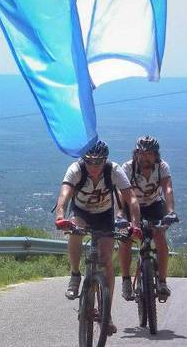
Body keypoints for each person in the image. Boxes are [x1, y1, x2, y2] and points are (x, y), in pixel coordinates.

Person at [54, 140, 140, 334]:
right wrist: (60, 216)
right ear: (84, 160)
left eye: (99, 162)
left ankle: (106, 313)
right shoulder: (76, 169)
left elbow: (131, 199)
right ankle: (75, 274)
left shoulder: (114, 170)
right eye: (90, 162)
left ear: (105, 160)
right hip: (82, 212)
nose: (94, 167)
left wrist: (135, 225)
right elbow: (64, 195)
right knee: (74, 232)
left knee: (106, 259)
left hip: (104, 215)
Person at [118, 135, 178, 301]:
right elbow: (121, 193)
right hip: (131, 205)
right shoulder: (128, 167)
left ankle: (162, 281)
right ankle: (126, 281)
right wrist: (121, 215)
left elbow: (167, 190)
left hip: (153, 205)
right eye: (142, 153)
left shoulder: (162, 167)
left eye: (150, 153)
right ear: (136, 153)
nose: (145, 157)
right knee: (126, 238)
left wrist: (171, 212)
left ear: (156, 155)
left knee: (159, 236)